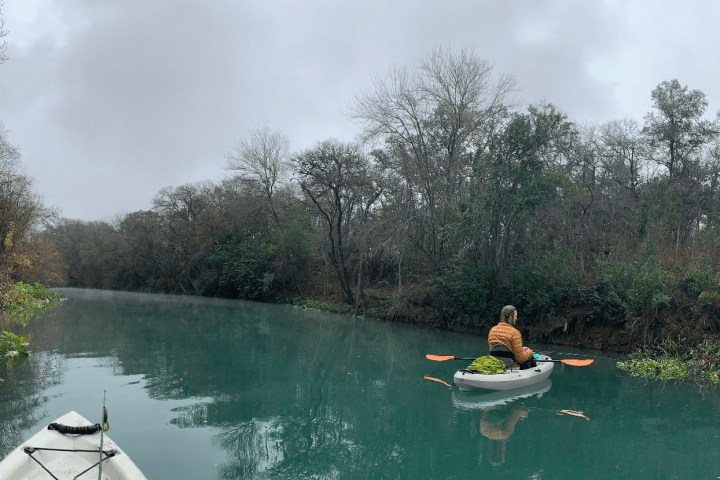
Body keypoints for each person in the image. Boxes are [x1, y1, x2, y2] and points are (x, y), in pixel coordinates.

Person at [487, 305, 539, 370]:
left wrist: (522, 349)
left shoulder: (492, 330)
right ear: (510, 317)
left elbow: (497, 350)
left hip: (495, 363)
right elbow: (520, 358)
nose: (516, 318)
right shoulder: (515, 333)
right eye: (515, 316)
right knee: (528, 357)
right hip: (511, 365)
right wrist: (529, 352)